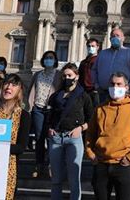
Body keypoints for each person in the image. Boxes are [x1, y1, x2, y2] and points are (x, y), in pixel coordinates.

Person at [85, 72, 130, 200]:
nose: (115, 87)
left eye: (119, 84)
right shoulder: (99, 109)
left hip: (123, 164)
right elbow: (90, 134)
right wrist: (90, 153)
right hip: (101, 163)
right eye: (112, 84)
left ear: (126, 87)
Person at [46, 63, 93, 200]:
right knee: (56, 178)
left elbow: (92, 119)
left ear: (76, 77)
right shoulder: (55, 96)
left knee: (74, 178)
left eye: (70, 75)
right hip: (56, 138)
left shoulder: (83, 96)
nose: (67, 78)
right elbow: (49, 115)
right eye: (64, 75)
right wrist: (49, 128)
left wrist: (81, 128)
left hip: (74, 138)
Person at [0, 74, 31, 200]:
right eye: (7, 83)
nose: (9, 87)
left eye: (14, 85)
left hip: (8, 169)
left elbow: (21, 147)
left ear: (19, 91)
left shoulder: (23, 115)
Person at [27, 50, 61, 177]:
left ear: (55, 60)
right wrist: (31, 105)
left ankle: (51, 164)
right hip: (38, 108)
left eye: (51, 58)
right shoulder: (37, 75)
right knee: (39, 137)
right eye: (46, 58)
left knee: (51, 137)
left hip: (52, 110)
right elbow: (31, 90)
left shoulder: (59, 75)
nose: (48, 60)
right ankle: (39, 164)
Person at [92, 28, 130, 103]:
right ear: (110, 39)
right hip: (104, 93)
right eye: (113, 36)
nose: (115, 38)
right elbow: (94, 70)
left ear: (123, 38)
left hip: (122, 93)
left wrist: (129, 86)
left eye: (117, 35)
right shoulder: (102, 53)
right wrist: (96, 85)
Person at [78, 38, 100, 107]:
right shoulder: (83, 62)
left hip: (95, 91)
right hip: (84, 91)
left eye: (93, 46)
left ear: (97, 47)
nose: (91, 48)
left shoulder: (100, 60)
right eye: (89, 46)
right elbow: (80, 77)